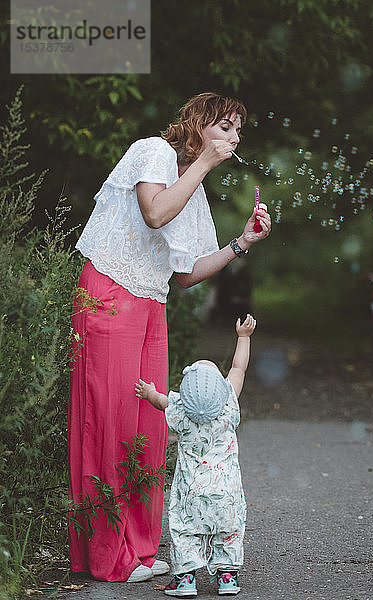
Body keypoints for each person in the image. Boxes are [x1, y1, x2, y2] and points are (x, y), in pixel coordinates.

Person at [68, 93, 271, 583]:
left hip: (151, 304)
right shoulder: (153, 151)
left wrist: (240, 242)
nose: (234, 138)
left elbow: (185, 274)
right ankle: (105, 556)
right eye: (225, 127)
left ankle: (138, 550)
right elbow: (155, 213)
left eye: (238, 131)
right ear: (199, 125)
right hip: (110, 292)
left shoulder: (194, 190)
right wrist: (202, 162)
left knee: (149, 425)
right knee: (109, 419)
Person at [135, 314, 256, 597]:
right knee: (228, 530)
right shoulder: (229, 407)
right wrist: (244, 337)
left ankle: (186, 579)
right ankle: (227, 577)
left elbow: (160, 400)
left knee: (186, 532)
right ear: (221, 388)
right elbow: (239, 367)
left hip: (191, 492)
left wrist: (148, 392)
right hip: (226, 492)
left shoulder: (180, 411)